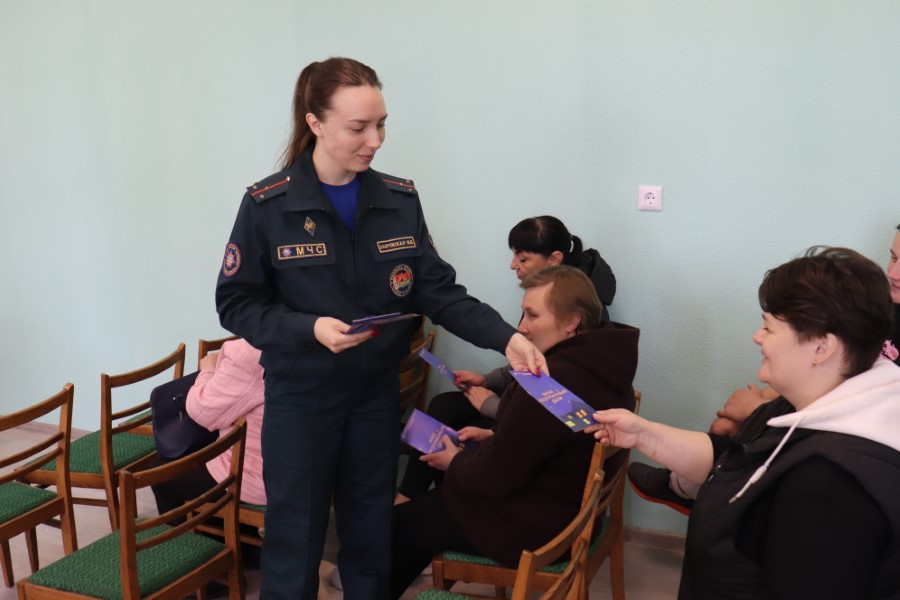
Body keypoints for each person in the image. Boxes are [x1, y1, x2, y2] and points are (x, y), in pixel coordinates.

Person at [214, 57, 546, 600]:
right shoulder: (267, 205)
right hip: (302, 399)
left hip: (373, 397)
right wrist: (309, 328)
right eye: (359, 127)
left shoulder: (398, 199)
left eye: (381, 124)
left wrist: (507, 336)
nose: (375, 140)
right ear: (315, 123)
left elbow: (439, 291)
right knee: (295, 541)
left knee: (371, 533)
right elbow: (236, 304)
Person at [588, 246, 900, 599]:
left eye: (769, 328)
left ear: (821, 348)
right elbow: (732, 460)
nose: (757, 336)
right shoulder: (806, 402)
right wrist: (643, 434)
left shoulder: (830, 489)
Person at [391, 266, 639, 597]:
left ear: (572, 321)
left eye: (532, 316)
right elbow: (562, 436)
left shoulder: (549, 382)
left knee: (397, 526)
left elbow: (495, 476)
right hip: (570, 515)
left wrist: (454, 461)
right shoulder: (603, 365)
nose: (521, 328)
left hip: (536, 528)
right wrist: (495, 436)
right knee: (431, 506)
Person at [629, 226, 900, 515]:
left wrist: (757, 410)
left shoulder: (828, 474)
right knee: (729, 428)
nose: (893, 273)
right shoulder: (889, 309)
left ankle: (691, 490)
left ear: (823, 347)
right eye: (893, 258)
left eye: (768, 329)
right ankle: (693, 489)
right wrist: (764, 405)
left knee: (741, 429)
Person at [396, 215, 616, 502]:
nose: (521, 329)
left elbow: (553, 421)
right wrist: (487, 380)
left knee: (454, 425)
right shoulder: (553, 299)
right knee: (444, 406)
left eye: (522, 259)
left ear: (554, 259)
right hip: (520, 408)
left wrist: (491, 406)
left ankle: (431, 497)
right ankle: (420, 495)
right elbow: (527, 364)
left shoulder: (572, 316)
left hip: (527, 436)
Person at [150, 337, 265, 514]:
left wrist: (208, 370)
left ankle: (207, 530)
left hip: (255, 477)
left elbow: (202, 411)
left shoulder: (248, 352)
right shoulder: (307, 337)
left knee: (160, 473)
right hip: (301, 468)